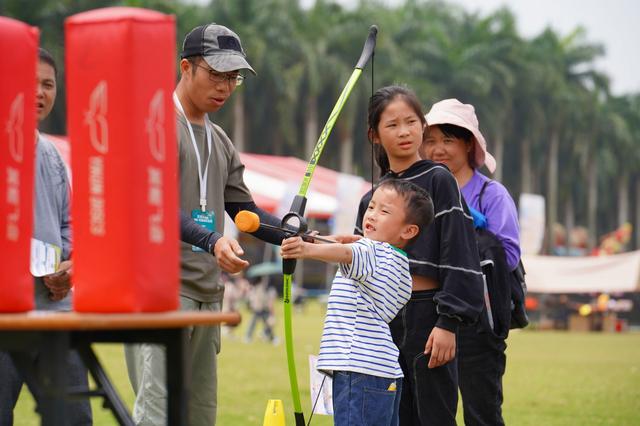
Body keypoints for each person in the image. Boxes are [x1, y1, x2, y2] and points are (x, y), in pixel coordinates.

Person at [124, 23, 286, 426]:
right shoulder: (155, 124)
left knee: (199, 417)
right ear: (186, 68)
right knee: (157, 416)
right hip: (161, 295)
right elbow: (153, 204)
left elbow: (245, 213)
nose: (225, 87)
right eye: (216, 74)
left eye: (233, 78)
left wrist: (299, 235)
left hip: (206, 295)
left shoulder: (221, 140)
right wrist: (212, 240)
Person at [355, 86, 484, 425]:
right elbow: (360, 264)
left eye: (411, 122)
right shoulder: (371, 197)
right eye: (393, 125)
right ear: (374, 135)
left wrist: (448, 323)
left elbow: (459, 251)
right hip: (382, 322)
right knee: (390, 415)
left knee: (434, 415)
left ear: (422, 126)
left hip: (429, 315)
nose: (404, 132)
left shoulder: (439, 179)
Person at [282, 179, 435, 426]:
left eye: (384, 211)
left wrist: (305, 250)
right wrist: (316, 241)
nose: (372, 215)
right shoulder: (398, 264)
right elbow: (347, 243)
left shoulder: (373, 252)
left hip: (359, 371)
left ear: (408, 230)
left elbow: (347, 251)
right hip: (383, 374)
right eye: (371, 206)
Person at [0, 48, 92, 425]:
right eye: (29, 83)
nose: (39, 92)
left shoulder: (53, 155)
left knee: (73, 417)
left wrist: (71, 267)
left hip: (54, 313)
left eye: (48, 84)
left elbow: (69, 227)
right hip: (5, 315)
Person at [422, 98, 521, 426]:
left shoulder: (491, 195)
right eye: (431, 140)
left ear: (468, 144)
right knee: (432, 412)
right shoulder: (421, 191)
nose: (438, 149)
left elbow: (508, 256)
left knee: (482, 414)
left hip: (480, 322)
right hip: (429, 319)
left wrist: (467, 227)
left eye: (448, 140)